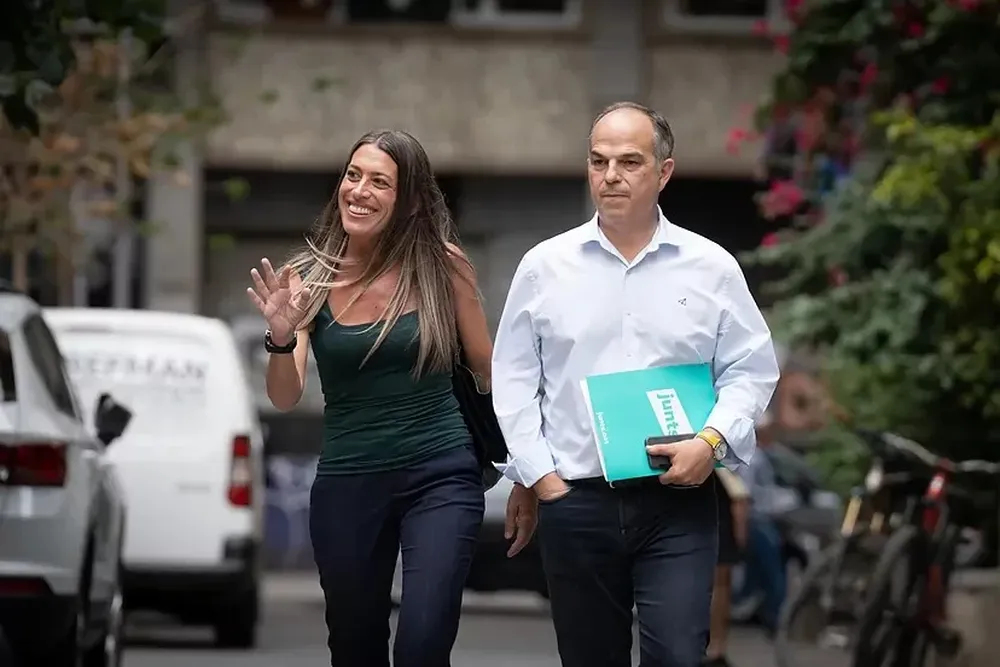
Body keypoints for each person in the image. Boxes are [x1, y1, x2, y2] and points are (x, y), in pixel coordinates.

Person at [492, 101, 780, 667]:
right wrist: (541, 477)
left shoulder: (711, 267)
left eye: (629, 162)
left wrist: (712, 441)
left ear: (663, 172)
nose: (611, 176)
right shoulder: (543, 267)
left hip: (680, 498)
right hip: (577, 499)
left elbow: (751, 369)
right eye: (599, 162)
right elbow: (515, 378)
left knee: (678, 654)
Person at [245, 130, 505, 667]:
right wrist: (281, 335)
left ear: (408, 199)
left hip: (441, 473)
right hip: (349, 481)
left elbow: (489, 371)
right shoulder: (310, 280)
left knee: (423, 642)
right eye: (352, 175)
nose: (359, 190)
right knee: (355, 646)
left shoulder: (443, 266)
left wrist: (528, 469)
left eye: (379, 181)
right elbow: (285, 394)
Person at [737, 410, 789, 638]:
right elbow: (743, 496)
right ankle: (775, 620)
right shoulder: (752, 457)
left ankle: (761, 613)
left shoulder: (760, 455)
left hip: (761, 519)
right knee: (773, 572)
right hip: (757, 521)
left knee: (758, 573)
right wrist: (742, 529)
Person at [704, 466, 750, 667]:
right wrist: (741, 536)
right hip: (720, 529)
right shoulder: (720, 460)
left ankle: (712, 647)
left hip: (701, 528)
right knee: (720, 588)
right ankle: (716, 648)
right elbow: (739, 498)